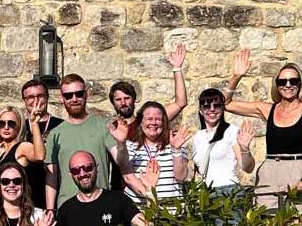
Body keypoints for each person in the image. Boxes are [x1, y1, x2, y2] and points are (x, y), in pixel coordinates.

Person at [224, 50, 302, 215]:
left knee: (301, 222)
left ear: (300, 84)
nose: (288, 85)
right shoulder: (267, 109)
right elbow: (226, 104)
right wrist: (236, 76)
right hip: (269, 170)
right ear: (276, 85)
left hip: (297, 169)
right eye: (282, 81)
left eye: (293, 81)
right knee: (266, 222)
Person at [0, 51, 63, 209]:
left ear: (47, 97)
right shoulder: (17, 124)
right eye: (30, 97)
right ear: (24, 100)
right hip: (16, 203)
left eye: (40, 96)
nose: (36, 101)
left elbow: (40, 156)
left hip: (48, 197)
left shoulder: (60, 126)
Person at [107, 44, 189, 191]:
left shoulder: (147, 122)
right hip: (122, 191)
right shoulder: (110, 129)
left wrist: (177, 69)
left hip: (155, 188)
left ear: (134, 99)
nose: (123, 103)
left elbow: (180, 102)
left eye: (127, 98)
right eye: (118, 99)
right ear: (113, 103)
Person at [44, 74, 131, 212]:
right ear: (62, 98)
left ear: (86, 94)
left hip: (101, 204)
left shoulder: (104, 125)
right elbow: (51, 177)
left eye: (78, 94)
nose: (74, 99)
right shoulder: (55, 134)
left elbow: (122, 162)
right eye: (68, 95)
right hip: (68, 208)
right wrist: (50, 210)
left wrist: (121, 144)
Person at [121, 101, 192, 203]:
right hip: (139, 210)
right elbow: (128, 177)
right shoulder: (130, 147)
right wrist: (150, 193)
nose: (154, 123)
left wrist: (176, 150)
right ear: (140, 122)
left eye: (158, 119)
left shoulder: (176, 144)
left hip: (171, 209)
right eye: (149, 119)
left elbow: (181, 177)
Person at [191, 88, 257, 193]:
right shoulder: (198, 137)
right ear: (201, 111)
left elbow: (248, 168)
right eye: (207, 106)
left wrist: (245, 149)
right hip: (205, 192)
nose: (212, 110)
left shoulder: (231, 131)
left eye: (217, 105)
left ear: (222, 108)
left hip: (228, 190)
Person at [0, 108, 45, 198]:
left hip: (21, 204)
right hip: (2, 205)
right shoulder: (0, 154)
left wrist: (34, 124)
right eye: (2, 123)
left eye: (11, 123)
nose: (6, 127)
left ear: (19, 126)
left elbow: (40, 156)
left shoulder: (22, 147)